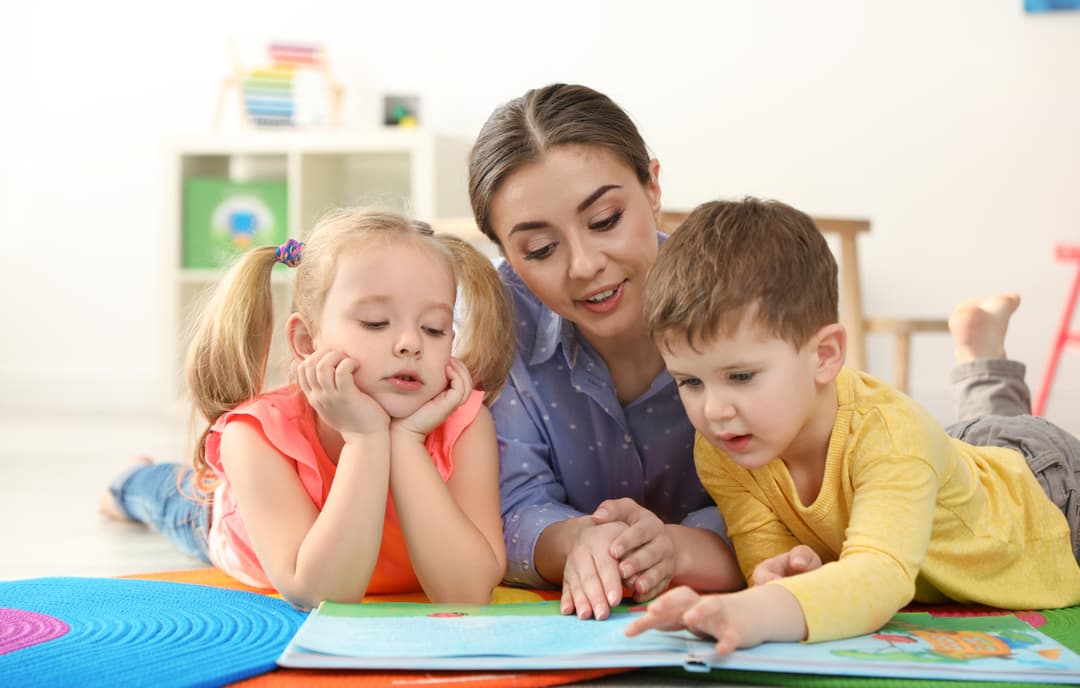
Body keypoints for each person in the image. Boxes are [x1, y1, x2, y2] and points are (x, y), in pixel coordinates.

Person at [625, 197, 1080, 652]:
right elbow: (768, 564)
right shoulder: (725, 447)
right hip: (950, 467)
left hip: (1047, 497)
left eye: (740, 376)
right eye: (689, 382)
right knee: (974, 435)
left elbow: (880, 574)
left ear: (824, 356)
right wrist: (784, 577)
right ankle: (980, 350)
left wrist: (756, 612)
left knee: (995, 434)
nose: (714, 411)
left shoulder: (892, 435)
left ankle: (979, 357)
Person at [100, 208, 513, 610]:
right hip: (227, 523)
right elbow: (321, 594)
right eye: (374, 322)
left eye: (434, 328)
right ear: (306, 341)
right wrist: (365, 439)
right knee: (173, 497)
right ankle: (129, 483)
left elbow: (468, 591)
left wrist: (405, 443)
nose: (410, 343)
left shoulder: (464, 420)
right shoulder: (256, 434)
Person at [467, 83, 744, 621]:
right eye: (541, 250)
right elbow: (509, 505)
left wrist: (678, 545)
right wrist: (578, 542)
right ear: (506, 254)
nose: (583, 264)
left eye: (604, 220)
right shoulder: (498, 321)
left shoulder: (738, 295)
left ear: (653, 187)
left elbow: (791, 489)